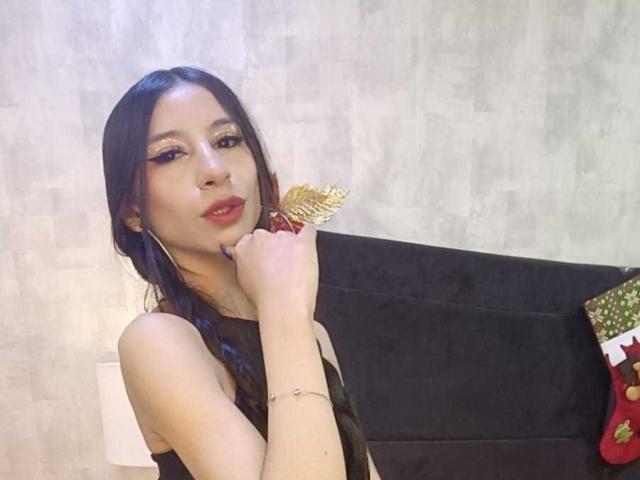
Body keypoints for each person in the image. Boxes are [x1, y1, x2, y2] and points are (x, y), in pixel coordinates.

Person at [101, 66, 381, 479]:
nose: (215, 169)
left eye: (227, 140)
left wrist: (290, 316)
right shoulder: (157, 340)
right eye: (170, 154)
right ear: (133, 211)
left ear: (266, 177)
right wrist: (285, 310)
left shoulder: (312, 332)